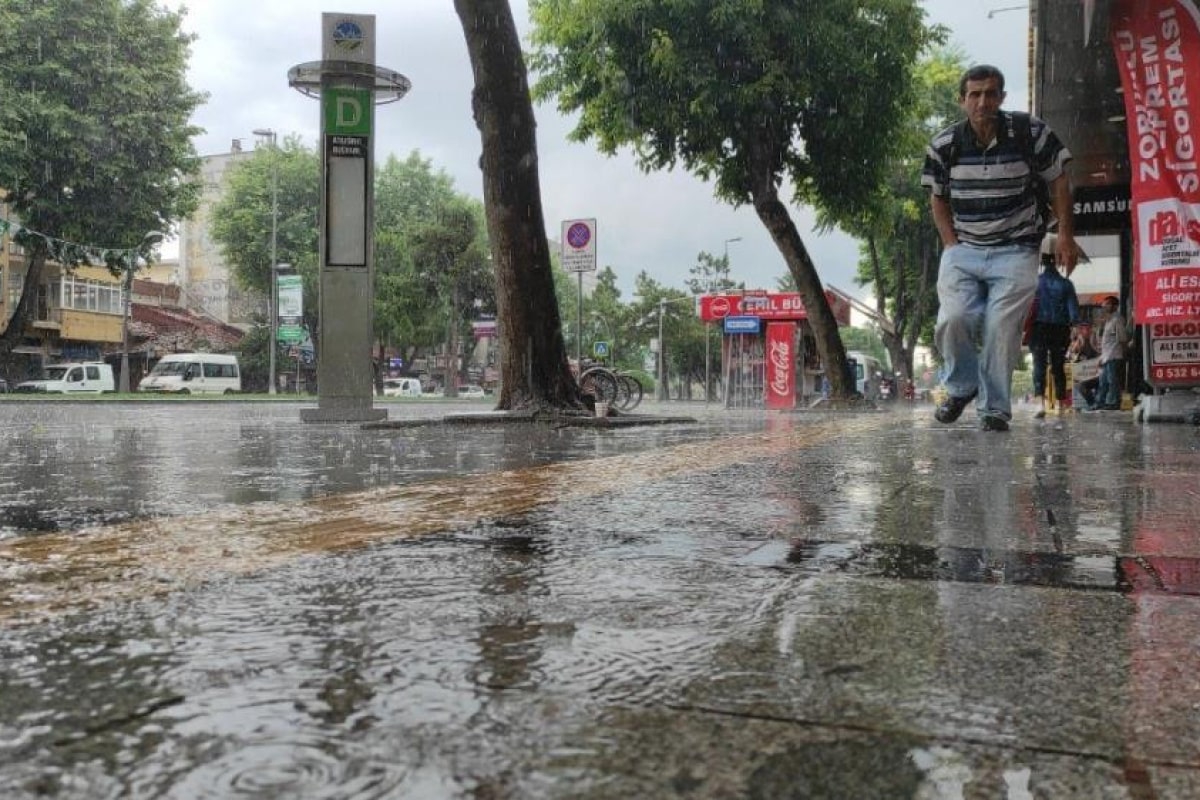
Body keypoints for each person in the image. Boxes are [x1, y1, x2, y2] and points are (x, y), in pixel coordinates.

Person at [922, 64, 1077, 432]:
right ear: (962, 101)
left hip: (1017, 248)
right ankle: (962, 385)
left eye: (990, 93)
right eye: (974, 95)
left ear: (1002, 98)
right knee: (953, 318)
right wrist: (950, 243)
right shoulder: (945, 145)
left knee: (1000, 327)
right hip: (964, 248)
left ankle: (994, 409)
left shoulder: (1030, 132)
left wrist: (1066, 236)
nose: (982, 102)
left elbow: (1058, 182)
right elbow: (937, 198)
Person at [1030, 235, 1081, 418]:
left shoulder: (1035, 282)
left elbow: (1028, 307)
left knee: (1039, 364)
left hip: (1039, 328)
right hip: (1060, 329)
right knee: (1059, 366)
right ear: (1058, 260)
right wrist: (1075, 328)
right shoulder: (1066, 284)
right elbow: (1073, 311)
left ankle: (1039, 403)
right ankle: (1060, 404)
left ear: (1042, 261)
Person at [1091, 295, 1128, 411]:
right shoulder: (1109, 320)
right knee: (1103, 382)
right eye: (1104, 304)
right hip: (1106, 356)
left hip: (1114, 355)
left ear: (1115, 306)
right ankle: (1100, 403)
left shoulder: (1117, 320)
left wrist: (1124, 352)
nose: (1104, 306)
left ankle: (1113, 403)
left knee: (1112, 381)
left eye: (1107, 304)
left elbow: (1122, 338)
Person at [1066, 323, 1099, 410]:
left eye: (1088, 329)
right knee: (1080, 385)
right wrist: (1076, 347)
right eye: (1083, 329)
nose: (1085, 332)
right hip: (1084, 374)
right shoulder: (1076, 343)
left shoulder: (1094, 341)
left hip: (1095, 374)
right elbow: (1069, 356)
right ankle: (1092, 403)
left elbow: (1100, 353)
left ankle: (1097, 402)